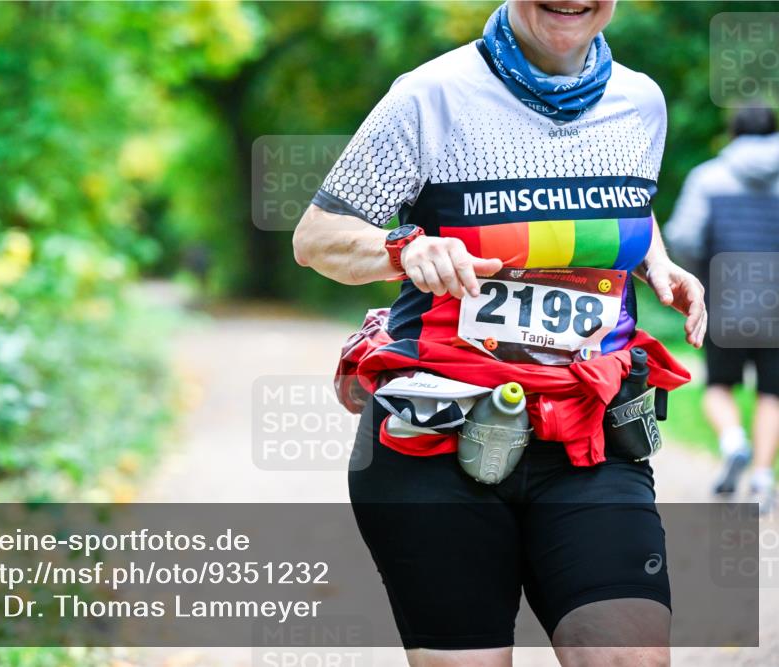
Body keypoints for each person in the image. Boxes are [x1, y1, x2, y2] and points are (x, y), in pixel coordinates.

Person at [293, 1, 705, 666]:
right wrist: (404, 248)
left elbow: (622, 197)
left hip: (588, 436)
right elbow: (315, 240)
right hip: (434, 441)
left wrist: (654, 259)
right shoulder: (430, 97)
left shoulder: (642, 101)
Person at [664, 105, 779, 515]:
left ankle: (734, 443)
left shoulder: (709, 177)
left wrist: (699, 278)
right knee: (772, 393)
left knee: (718, 385)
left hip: (726, 296)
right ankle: (763, 478)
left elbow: (683, 237)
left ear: (734, 132)